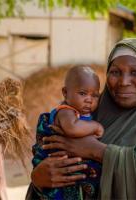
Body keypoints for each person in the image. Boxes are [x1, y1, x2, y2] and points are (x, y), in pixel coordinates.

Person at [27, 38, 136, 199]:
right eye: (115, 72)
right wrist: (38, 179)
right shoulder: (88, 108)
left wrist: (98, 150)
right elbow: (48, 157)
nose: (124, 81)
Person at [31, 66, 103, 199]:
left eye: (95, 95)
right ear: (65, 93)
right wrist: (95, 126)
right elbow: (72, 128)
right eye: (82, 93)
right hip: (60, 166)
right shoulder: (66, 111)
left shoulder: (82, 112)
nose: (89, 99)